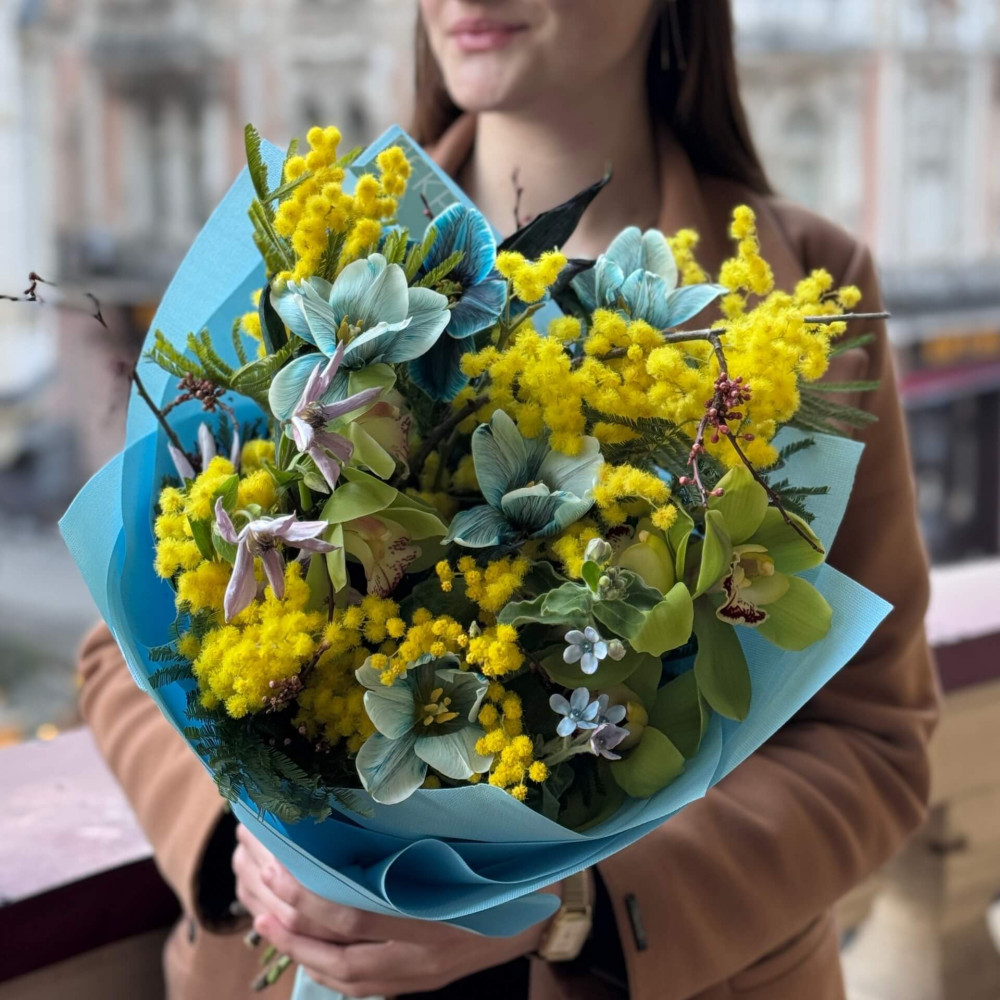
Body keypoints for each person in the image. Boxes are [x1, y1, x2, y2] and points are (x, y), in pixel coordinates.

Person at [77, 1, 940, 998]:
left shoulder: (805, 303)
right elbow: (125, 642)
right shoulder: (317, 260)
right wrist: (243, 835)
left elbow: (872, 743)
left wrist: (571, 909)